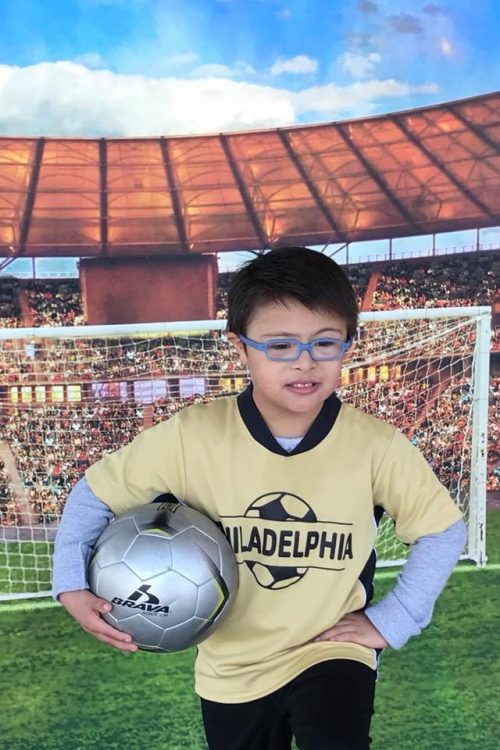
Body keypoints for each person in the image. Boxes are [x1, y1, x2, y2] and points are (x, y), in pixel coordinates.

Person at [53, 246, 466, 750]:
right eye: (281, 345)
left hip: (331, 648)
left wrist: (394, 619)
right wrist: (71, 583)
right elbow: (94, 494)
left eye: (325, 343)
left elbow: (442, 529)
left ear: (348, 346)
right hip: (231, 664)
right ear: (240, 347)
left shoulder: (375, 445)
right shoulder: (192, 436)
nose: (305, 362)